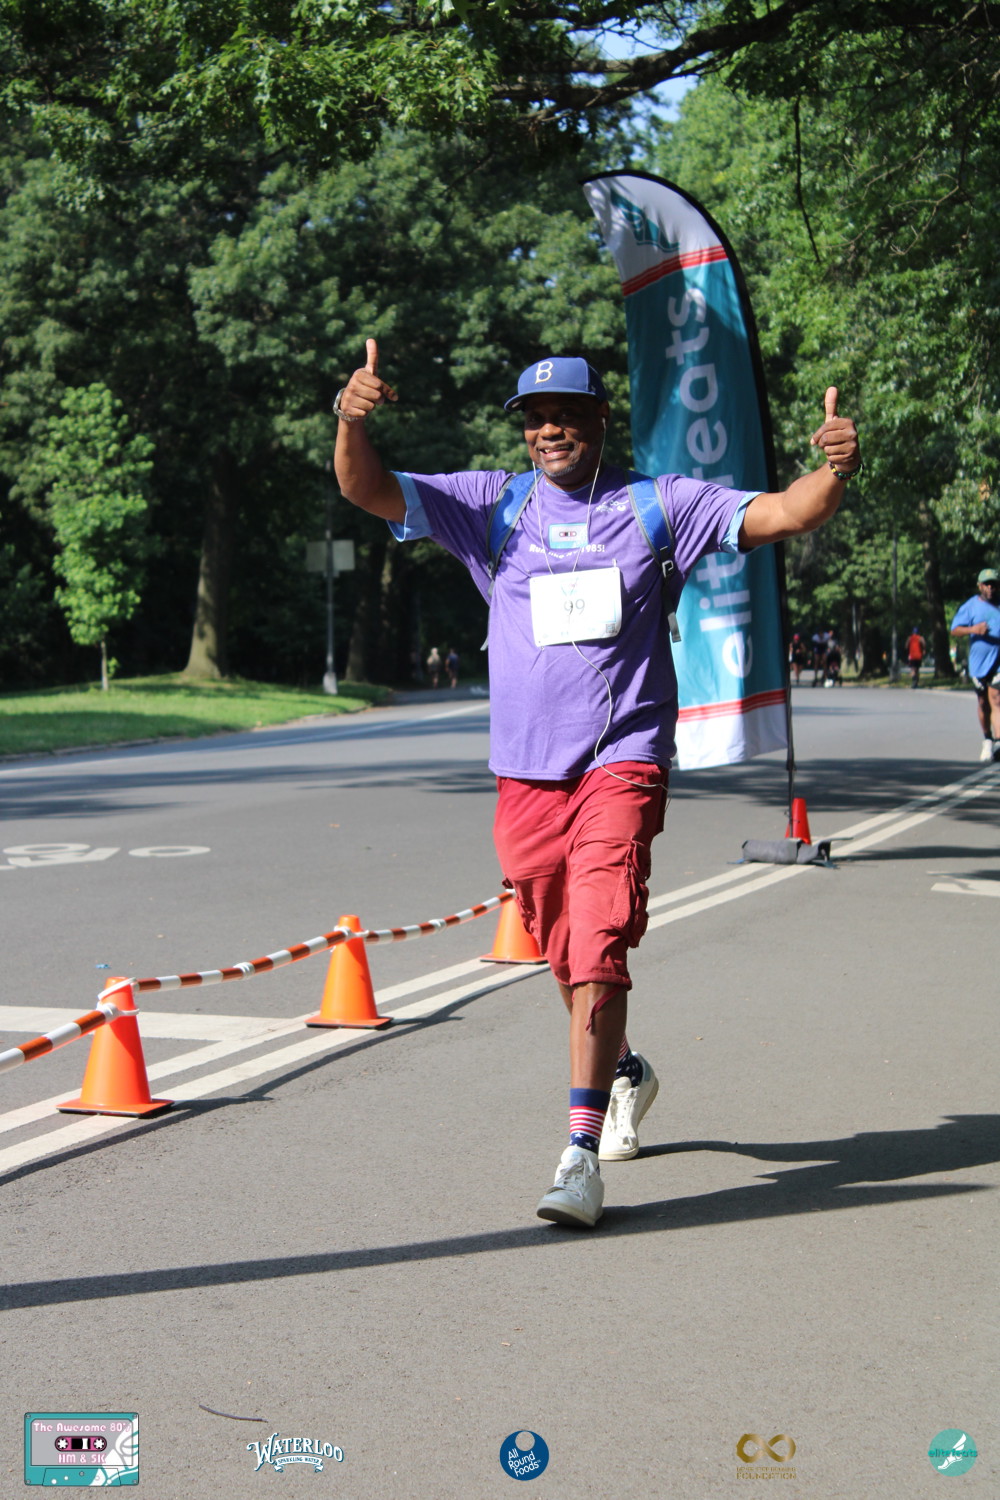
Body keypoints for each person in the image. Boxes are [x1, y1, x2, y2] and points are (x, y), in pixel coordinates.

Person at [333, 343, 861, 1228]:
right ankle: (622, 1070)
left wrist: (836, 469)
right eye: (537, 419)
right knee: (562, 945)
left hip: (623, 758)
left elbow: (784, 513)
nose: (551, 431)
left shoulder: (658, 505)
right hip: (526, 772)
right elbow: (367, 488)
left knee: (601, 938)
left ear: (600, 420)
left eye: (568, 415)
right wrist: (351, 420)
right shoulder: (491, 505)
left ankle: (579, 1155)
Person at [950, 568, 1000, 760]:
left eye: (993, 584)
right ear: (980, 586)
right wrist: (974, 629)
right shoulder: (971, 606)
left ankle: (999, 742)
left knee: (996, 699)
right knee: (983, 703)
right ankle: (987, 739)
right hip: (978, 665)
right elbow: (955, 630)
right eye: (986, 584)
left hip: (998, 663)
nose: (990, 588)